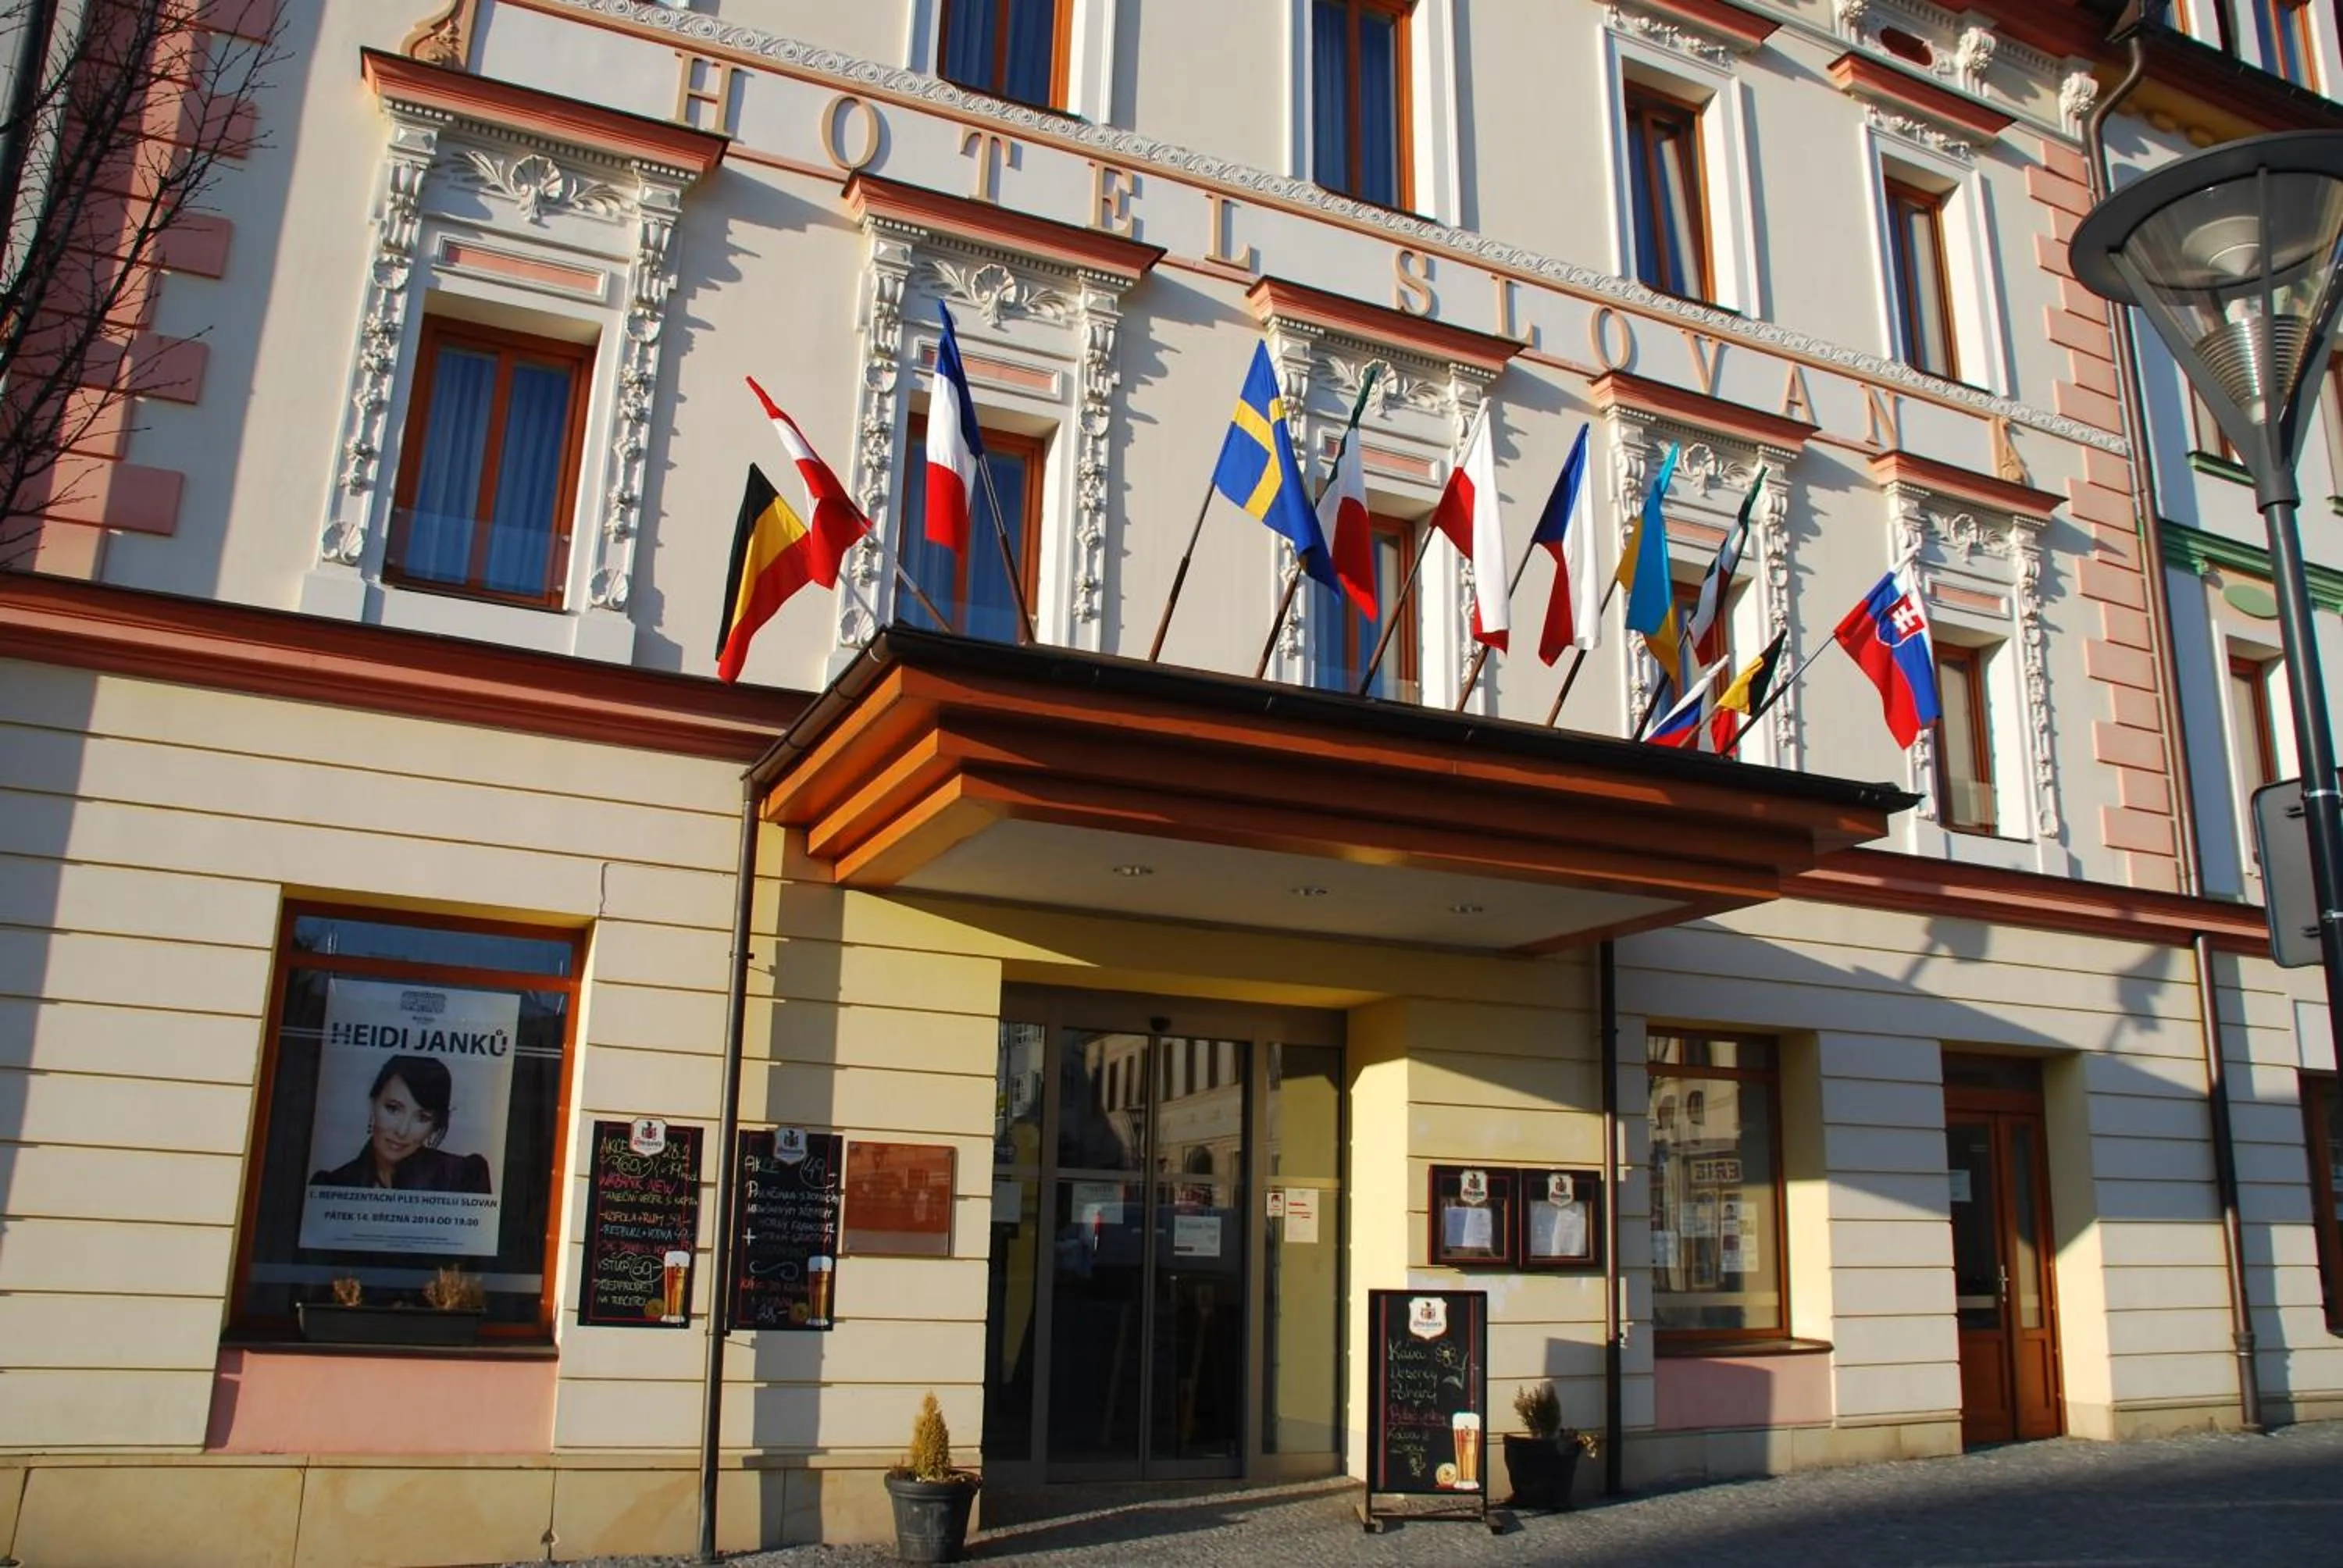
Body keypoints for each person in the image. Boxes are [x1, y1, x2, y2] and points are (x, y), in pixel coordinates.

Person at [309, 1054, 492, 1192]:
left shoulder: (464, 1177)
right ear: (373, 1104)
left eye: (422, 1118)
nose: (402, 1131)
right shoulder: (331, 1184)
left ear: (435, 1126)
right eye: (393, 1109)